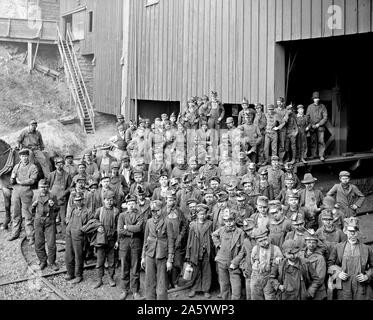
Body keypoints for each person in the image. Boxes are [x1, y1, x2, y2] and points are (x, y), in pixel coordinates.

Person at [327, 220, 373, 300]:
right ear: (345, 231)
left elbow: (372, 267)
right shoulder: (338, 247)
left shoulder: (367, 249)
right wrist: (337, 273)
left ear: (358, 232)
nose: (352, 234)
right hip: (343, 285)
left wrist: (367, 276)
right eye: (350, 231)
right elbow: (330, 265)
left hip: (360, 285)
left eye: (355, 231)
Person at [141, 200, 174, 300]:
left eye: (157, 210)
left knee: (162, 281)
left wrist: (170, 260)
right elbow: (145, 240)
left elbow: (171, 242)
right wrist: (143, 257)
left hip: (162, 255)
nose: (155, 213)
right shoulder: (149, 222)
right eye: (153, 211)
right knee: (149, 280)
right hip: (150, 255)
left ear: (162, 210)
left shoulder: (167, 222)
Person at [211, 209, 245, 300]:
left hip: (233, 263)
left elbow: (242, 250)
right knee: (224, 284)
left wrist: (235, 262)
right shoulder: (221, 230)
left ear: (235, 220)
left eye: (231, 220)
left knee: (236, 286)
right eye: (226, 221)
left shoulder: (240, 232)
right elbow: (214, 235)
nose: (229, 223)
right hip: (222, 261)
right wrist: (218, 244)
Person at [8, 148, 38, 244]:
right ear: (20, 157)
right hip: (16, 192)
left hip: (26, 192)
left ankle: (30, 236)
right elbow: (12, 179)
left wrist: (21, 182)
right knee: (15, 213)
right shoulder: (16, 166)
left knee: (27, 215)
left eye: (25, 156)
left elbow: (33, 180)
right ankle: (15, 233)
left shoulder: (33, 167)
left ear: (28, 156)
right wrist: (12, 179)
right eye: (22, 156)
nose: (24, 158)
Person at [117, 195, 144, 300]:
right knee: (124, 267)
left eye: (133, 203)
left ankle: (135, 291)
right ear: (126, 205)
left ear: (135, 204)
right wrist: (132, 232)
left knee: (135, 268)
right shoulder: (122, 215)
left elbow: (139, 228)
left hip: (136, 244)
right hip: (124, 244)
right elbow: (119, 230)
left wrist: (127, 227)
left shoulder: (139, 215)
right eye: (129, 204)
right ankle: (124, 290)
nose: (131, 205)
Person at [92, 190, 120, 289]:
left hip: (112, 239)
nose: (109, 202)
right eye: (107, 200)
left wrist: (117, 241)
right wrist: (97, 227)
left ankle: (111, 278)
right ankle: (100, 279)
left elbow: (119, 227)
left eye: (111, 200)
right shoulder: (99, 210)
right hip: (101, 240)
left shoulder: (116, 211)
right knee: (100, 261)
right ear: (103, 200)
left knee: (111, 261)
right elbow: (93, 221)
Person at [185, 204, 213, 298]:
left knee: (206, 271)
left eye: (204, 214)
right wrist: (188, 254)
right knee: (195, 271)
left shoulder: (209, 224)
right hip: (195, 251)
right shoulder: (193, 225)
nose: (202, 216)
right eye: (200, 214)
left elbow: (212, 237)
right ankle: (194, 288)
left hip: (206, 252)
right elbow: (189, 240)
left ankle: (206, 289)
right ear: (197, 214)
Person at [32, 179, 59, 271]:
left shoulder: (52, 195)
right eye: (42, 187)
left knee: (51, 243)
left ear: (48, 187)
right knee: (39, 242)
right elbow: (29, 210)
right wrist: (33, 206)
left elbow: (57, 209)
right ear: (38, 188)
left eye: (46, 187)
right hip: (38, 220)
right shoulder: (35, 195)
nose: (44, 189)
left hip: (49, 220)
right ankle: (43, 260)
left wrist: (53, 205)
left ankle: (52, 262)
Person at [250, 228, 283, 300]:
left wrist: (278, 259)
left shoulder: (275, 249)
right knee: (256, 296)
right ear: (257, 241)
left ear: (269, 237)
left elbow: (281, 264)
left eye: (265, 239)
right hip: (256, 276)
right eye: (260, 241)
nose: (264, 242)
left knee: (270, 296)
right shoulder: (255, 249)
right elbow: (252, 261)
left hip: (269, 276)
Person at [65, 193, 90, 284]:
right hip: (69, 235)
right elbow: (68, 220)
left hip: (79, 237)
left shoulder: (86, 211)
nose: (77, 202)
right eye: (76, 200)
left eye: (79, 200)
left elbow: (89, 225)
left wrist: (81, 231)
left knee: (78, 256)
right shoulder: (72, 209)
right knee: (68, 255)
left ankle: (78, 275)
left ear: (83, 200)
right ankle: (70, 273)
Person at [163, 192, 187, 288]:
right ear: (166, 200)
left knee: (177, 263)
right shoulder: (162, 211)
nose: (171, 202)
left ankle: (175, 281)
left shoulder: (179, 212)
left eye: (173, 200)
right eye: (169, 200)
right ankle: (167, 282)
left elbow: (184, 225)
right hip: (166, 241)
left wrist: (180, 237)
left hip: (177, 241)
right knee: (166, 262)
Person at [231, 218, 256, 300]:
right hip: (249, 271)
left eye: (251, 229)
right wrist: (234, 263)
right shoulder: (246, 241)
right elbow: (241, 254)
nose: (250, 232)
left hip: (259, 272)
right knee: (249, 294)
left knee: (257, 295)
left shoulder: (262, 240)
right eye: (247, 231)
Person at [47, 157, 72, 238]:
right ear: (55, 165)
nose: (59, 166)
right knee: (52, 218)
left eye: (61, 164)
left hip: (62, 200)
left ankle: (65, 235)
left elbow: (70, 187)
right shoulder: (51, 175)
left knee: (63, 218)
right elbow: (48, 186)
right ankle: (53, 233)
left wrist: (64, 193)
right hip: (53, 200)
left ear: (63, 165)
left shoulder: (67, 175)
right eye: (58, 164)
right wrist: (50, 196)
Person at [298, 233, 327, 300]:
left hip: (317, 291)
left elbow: (320, 278)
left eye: (314, 242)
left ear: (317, 244)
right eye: (309, 242)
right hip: (302, 289)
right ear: (305, 242)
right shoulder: (299, 255)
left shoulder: (320, 258)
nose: (311, 244)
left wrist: (310, 292)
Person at [306, 91, 328, 161]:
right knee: (313, 141)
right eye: (315, 98)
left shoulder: (323, 106)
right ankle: (313, 155)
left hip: (320, 127)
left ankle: (321, 155)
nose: (316, 99)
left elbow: (325, 117)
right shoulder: (310, 107)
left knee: (321, 141)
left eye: (318, 98)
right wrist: (311, 124)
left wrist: (319, 124)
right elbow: (307, 117)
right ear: (313, 99)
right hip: (312, 127)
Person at [275, 97, 290, 163]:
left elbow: (285, 121)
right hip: (274, 130)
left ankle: (281, 159)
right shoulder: (275, 110)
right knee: (275, 144)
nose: (279, 104)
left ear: (283, 103)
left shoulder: (285, 111)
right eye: (278, 102)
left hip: (283, 130)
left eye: (280, 102)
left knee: (282, 144)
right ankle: (275, 159)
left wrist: (279, 125)